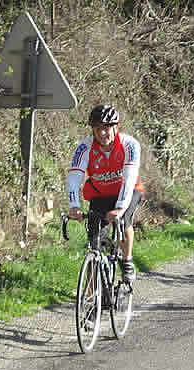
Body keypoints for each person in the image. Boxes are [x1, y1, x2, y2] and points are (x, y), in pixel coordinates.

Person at [67, 104, 144, 283]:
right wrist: (74, 206)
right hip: (100, 194)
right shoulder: (84, 148)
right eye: (98, 128)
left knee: (123, 221)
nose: (102, 133)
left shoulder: (130, 145)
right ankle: (92, 290)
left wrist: (119, 208)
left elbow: (129, 177)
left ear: (116, 127)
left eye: (107, 128)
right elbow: (73, 178)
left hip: (128, 191)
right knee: (94, 240)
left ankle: (127, 261)